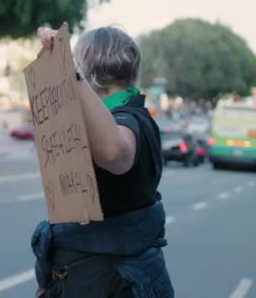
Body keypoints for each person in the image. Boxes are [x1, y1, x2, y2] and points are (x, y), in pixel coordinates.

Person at [31, 26, 174, 298]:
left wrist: (71, 73)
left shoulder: (131, 118)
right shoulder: (119, 116)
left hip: (114, 281)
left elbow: (114, 153)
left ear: (91, 73)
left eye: (78, 65)